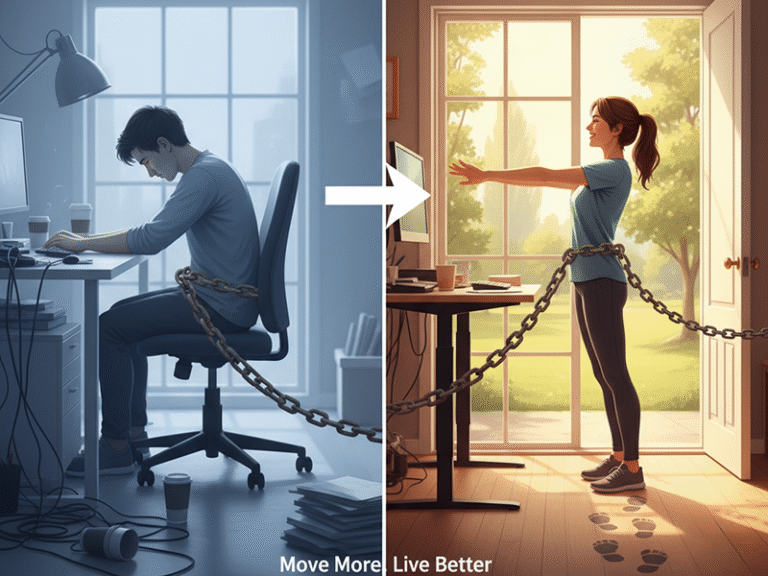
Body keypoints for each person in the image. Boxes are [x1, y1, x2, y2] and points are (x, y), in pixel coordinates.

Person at [449, 96, 659, 493]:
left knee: (615, 373)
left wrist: (489, 174)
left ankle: (632, 469)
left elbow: (546, 175)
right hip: (586, 279)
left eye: (595, 120)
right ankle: (618, 458)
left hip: (601, 280)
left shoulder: (614, 169)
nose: (588, 127)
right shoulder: (605, 170)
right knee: (603, 372)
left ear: (616, 129)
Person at [44, 105, 260, 475]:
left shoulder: (202, 178)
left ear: (164, 144)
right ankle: (131, 434)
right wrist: (85, 240)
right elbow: (150, 233)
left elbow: (152, 238)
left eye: (146, 161)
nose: (149, 171)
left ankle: (115, 447)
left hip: (222, 307)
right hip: (222, 299)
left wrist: (82, 243)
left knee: (109, 328)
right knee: (120, 320)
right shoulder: (210, 168)